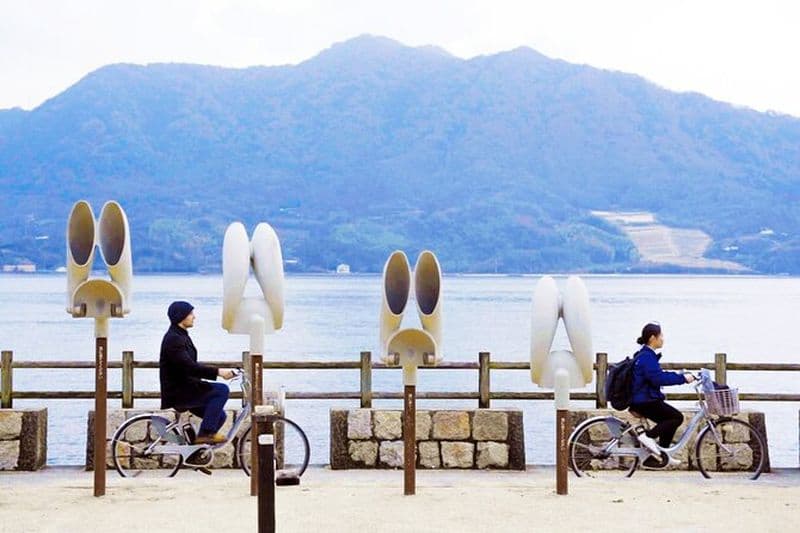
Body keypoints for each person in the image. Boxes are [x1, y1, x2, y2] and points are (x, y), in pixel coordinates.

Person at [160, 301, 235, 444]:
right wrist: (219, 372)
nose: (194, 317)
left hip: (186, 388)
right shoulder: (174, 339)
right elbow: (189, 367)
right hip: (180, 393)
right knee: (222, 390)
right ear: (181, 316)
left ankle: (196, 452)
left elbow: (190, 366)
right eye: (190, 314)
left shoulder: (180, 336)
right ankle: (205, 435)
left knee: (220, 416)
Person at [629, 322, 695, 467]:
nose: (663, 339)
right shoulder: (647, 357)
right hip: (644, 401)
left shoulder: (645, 355)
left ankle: (663, 454)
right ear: (653, 338)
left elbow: (657, 375)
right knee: (676, 417)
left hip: (644, 399)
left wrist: (679, 375)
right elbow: (658, 378)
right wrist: (682, 378)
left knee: (668, 419)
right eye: (661, 336)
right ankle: (647, 436)